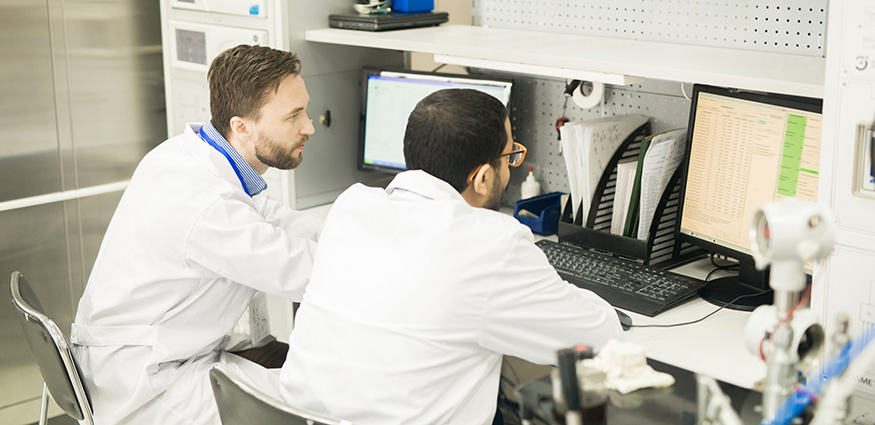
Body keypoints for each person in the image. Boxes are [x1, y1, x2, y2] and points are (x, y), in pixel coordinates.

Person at [278, 88, 624, 425]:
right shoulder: (492, 243)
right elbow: (598, 338)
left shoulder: (351, 206)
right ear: (483, 178)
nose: (510, 168)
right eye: (509, 157)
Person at [71, 44, 320, 425]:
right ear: (241, 126)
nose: (309, 126)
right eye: (294, 115)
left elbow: (272, 220)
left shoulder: (187, 156)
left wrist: (355, 230)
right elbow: (304, 275)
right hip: (149, 387)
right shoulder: (207, 206)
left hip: (136, 356)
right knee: (321, 405)